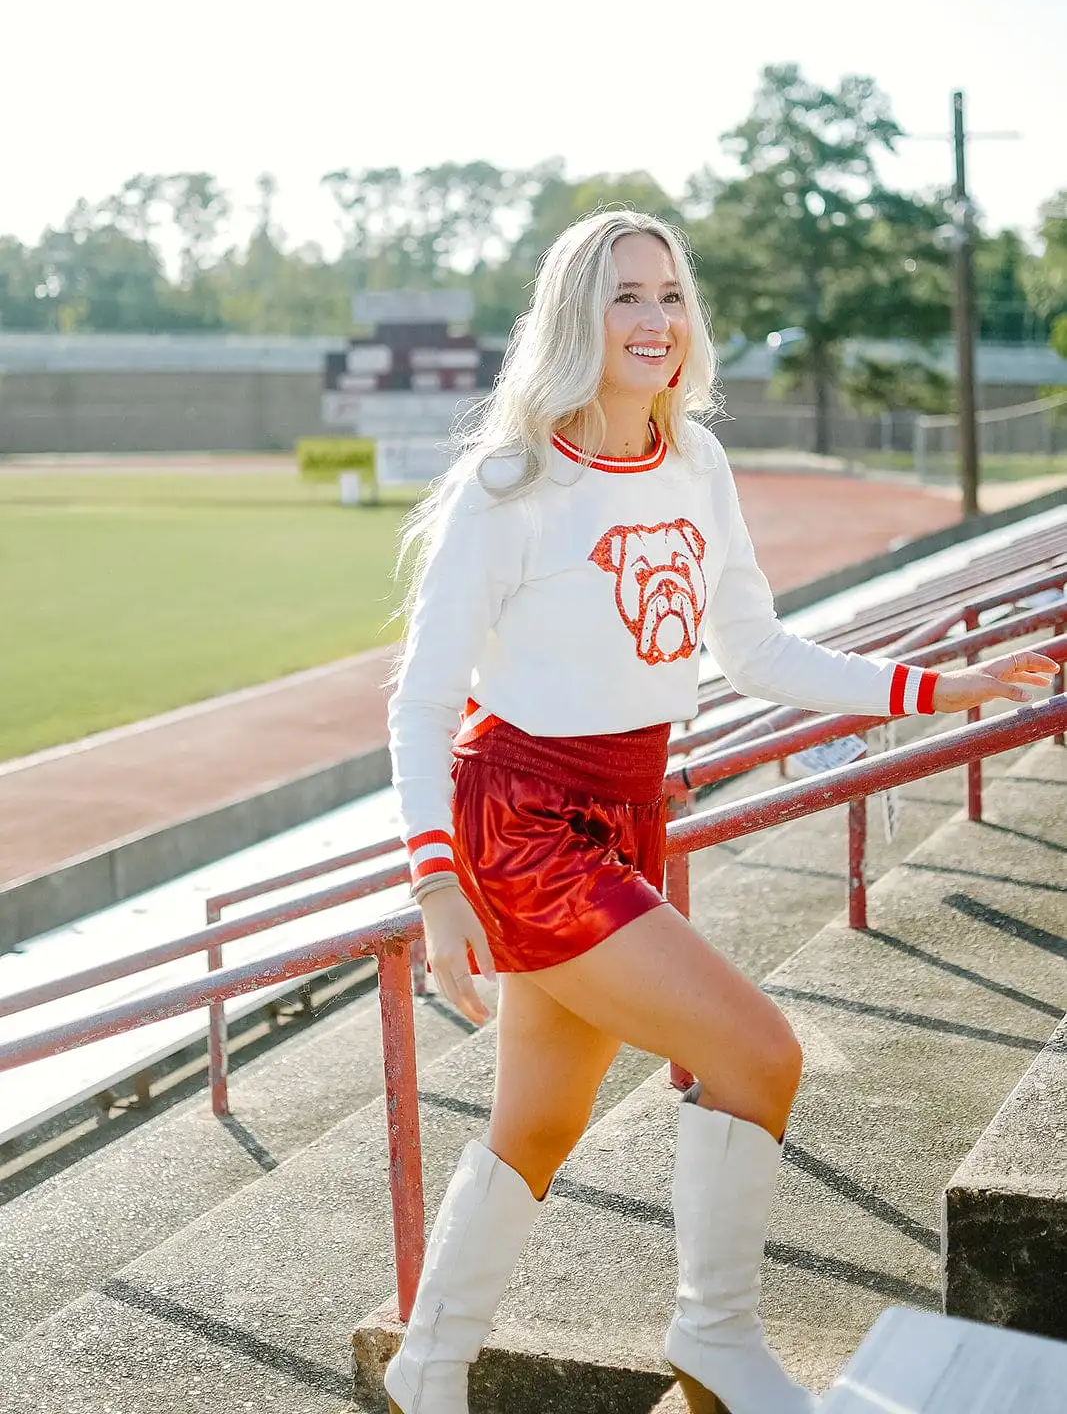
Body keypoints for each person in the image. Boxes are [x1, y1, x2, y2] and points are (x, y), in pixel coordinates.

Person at [383, 209, 1058, 1414]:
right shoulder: (511, 484)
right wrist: (437, 886)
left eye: (668, 296)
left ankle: (427, 1370)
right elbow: (424, 701)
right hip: (522, 820)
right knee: (753, 1050)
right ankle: (715, 1337)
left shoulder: (695, 460)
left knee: (535, 1125)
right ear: (571, 319)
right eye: (622, 297)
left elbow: (750, 647)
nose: (652, 321)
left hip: (626, 805)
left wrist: (928, 684)